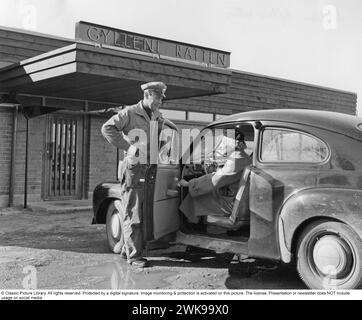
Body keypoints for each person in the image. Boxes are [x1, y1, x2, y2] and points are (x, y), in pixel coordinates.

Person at [101, 81, 167, 268]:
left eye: (161, 100)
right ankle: (134, 256)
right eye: (157, 99)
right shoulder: (130, 113)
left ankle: (126, 250)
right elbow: (107, 128)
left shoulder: (156, 116)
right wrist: (128, 147)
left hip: (149, 169)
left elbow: (156, 141)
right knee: (133, 212)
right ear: (147, 95)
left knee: (143, 211)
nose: (159, 103)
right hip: (134, 169)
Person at [179, 132, 252, 229]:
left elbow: (215, 180)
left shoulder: (236, 159)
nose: (222, 146)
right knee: (203, 192)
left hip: (230, 203)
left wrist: (189, 183)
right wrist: (217, 170)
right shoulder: (243, 156)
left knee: (196, 195)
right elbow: (226, 175)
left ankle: (192, 228)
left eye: (224, 142)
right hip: (236, 198)